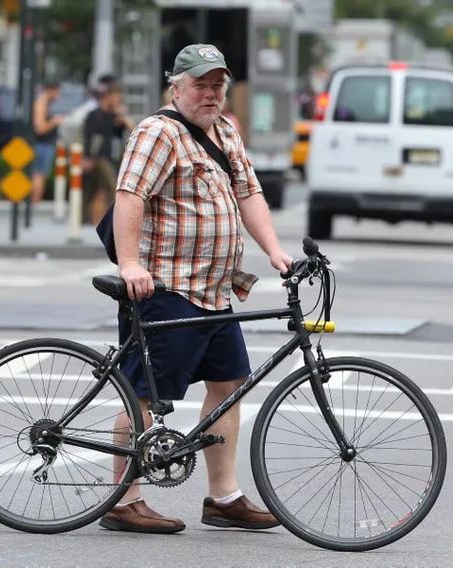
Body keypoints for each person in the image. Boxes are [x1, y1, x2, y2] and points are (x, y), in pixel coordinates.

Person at [101, 43, 293, 534]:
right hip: (167, 287)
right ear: (177, 86)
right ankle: (123, 500)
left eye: (217, 85)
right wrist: (129, 265)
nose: (210, 94)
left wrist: (275, 251)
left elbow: (248, 193)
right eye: (200, 85)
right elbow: (129, 196)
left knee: (228, 386)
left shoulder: (225, 131)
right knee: (142, 396)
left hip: (213, 291)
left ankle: (223, 497)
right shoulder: (157, 133)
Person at [82, 84, 134, 224]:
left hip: (114, 158)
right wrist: (88, 158)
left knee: (101, 192)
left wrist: (124, 117)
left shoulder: (116, 116)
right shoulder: (94, 115)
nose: (119, 102)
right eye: (117, 98)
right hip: (99, 158)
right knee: (114, 189)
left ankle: (97, 222)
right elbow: (89, 139)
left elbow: (135, 132)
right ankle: (114, 222)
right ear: (108, 97)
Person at [30, 81, 65, 202]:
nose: (58, 96)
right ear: (51, 90)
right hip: (42, 145)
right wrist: (54, 122)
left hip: (43, 145)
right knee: (39, 174)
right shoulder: (41, 104)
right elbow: (39, 128)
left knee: (39, 174)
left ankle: (35, 202)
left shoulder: (43, 104)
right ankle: (35, 202)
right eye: (57, 92)